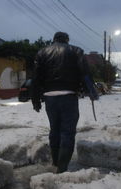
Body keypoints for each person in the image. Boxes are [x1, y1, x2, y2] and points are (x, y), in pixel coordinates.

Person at [31, 32, 99, 173]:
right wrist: (91, 92)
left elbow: (36, 78)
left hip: (49, 97)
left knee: (54, 129)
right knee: (67, 132)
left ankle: (56, 162)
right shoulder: (76, 51)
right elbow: (85, 73)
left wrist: (35, 99)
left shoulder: (42, 52)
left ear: (54, 39)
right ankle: (62, 169)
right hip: (69, 96)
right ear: (67, 40)